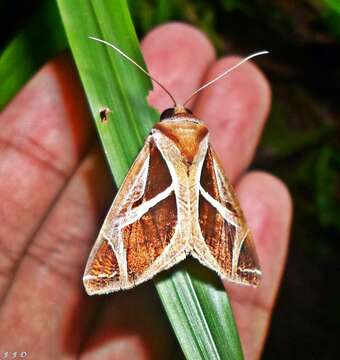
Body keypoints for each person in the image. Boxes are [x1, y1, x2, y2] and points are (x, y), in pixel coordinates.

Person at [0, 23, 292, 359]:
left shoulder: (156, 139)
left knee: (111, 259)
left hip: (152, 204)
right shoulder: (203, 147)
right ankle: (221, 254)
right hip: (203, 205)